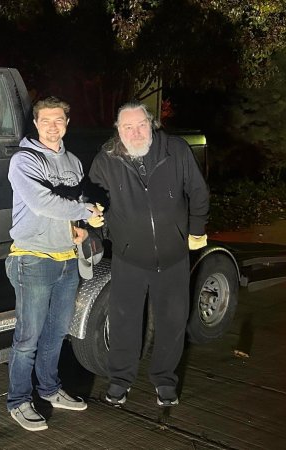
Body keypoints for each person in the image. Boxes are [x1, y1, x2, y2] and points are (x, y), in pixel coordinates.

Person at [88, 102, 209, 408]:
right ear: (118, 130)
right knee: (124, 321)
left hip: (173, 256)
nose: (135, 132)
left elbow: (198, 191)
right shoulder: (106, 159)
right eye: (127, 127)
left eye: (141, 124)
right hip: (129, 257)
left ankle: (165, 380)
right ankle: (119, 380)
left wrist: (196, 231)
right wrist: (93, 220)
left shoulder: (176, 150)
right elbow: (92, 198)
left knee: (172, 321)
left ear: (151, 124)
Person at [6, 96, 103, 431]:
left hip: (66, 259)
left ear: (67, 123)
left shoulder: (74, 162)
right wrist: (84, 212)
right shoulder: (24, 160)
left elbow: (75, 203)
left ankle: (48, 390)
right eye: (45, 120)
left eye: (58, 119)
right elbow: (44, 203)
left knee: (56, 333)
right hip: (31, 258)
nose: (52, 126)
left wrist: (82, 225)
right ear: (35, 123)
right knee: (28, 337)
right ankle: (18, 400)